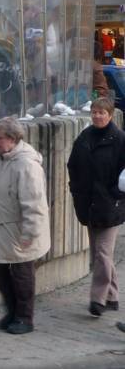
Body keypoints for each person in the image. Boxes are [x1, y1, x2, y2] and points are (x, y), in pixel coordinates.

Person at [0, 117, 50, 335]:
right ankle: (12, 311)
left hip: (20, 229)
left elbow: (34, 203)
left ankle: (24, 318)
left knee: (22, 274)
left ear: (13, 139)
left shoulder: (27, 165)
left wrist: (30, 233)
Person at [67, 97, 125, 317]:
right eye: (94, 112)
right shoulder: (85, 137)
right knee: (101, 254)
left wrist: (116, 193)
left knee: (102, 252)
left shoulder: (120, 140)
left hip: (111, 204)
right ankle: (112, 296)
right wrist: (75, 188)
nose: (97, 116)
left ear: (110, 115)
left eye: (102, 113)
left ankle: (97, 299)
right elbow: (73, 165)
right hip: (89, 203)